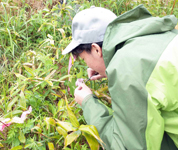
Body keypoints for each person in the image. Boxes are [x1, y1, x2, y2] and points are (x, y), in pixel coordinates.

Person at [62, 4, 178, 150]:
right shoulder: (154, 34)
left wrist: (88, 102)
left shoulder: (128, 72)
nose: (87, 65)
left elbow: (126, 146)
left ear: (96, 49)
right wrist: (109, 68)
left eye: (84, 59)